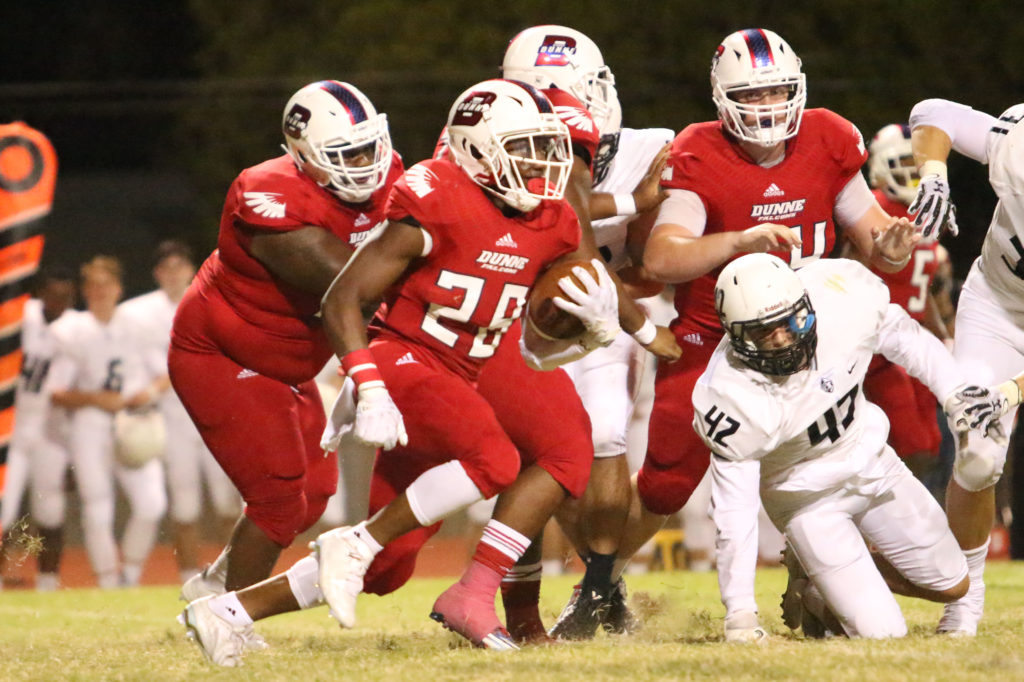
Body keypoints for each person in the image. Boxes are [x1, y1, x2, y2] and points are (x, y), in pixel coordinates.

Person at [178, 77, 675, 666]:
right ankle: (323, 560)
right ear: (476, 152)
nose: (542, 164)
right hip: (412, 357)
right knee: (424, 519)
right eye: (524, 148)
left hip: (481, 358)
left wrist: (612, 329)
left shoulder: (550, 215)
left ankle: (465, 593)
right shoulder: (434, 197)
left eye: (547, 147)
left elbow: (549, 320)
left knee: (557, 450)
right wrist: (367, 382)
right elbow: (346, 294)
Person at [628, 28, 920, 641]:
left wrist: (890, 248)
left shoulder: (827, 138)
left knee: (843, 463)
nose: (766, 107)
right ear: (723, 99)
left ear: (798, 89)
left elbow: (875, 242)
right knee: (665, 482)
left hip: (812, 343)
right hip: (717, 344)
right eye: (751, 94)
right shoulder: (700, 153)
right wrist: (735, 241)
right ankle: (601, 578)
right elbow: (660, 257)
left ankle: (814, 584)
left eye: (777, 91)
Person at [170, 79, 403, 622]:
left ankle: (218, 582)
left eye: (370, 147)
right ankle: (227, 619)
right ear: (302, 157)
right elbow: (347, 286)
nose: (366, 164)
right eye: (346, 154)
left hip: (291, 364)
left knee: (316, 495)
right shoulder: (265, 193)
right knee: (277, 502)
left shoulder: (391, 176)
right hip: (224, 355)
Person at [692, 253, 1016, 638]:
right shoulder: (729, 395)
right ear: (735, 334)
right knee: (884, 635)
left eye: (788, 321)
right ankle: (819, 592)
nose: (781, 339)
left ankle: (817, 576)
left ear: (807, 304)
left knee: (953, 583)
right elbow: (735, 512)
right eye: (764, 332)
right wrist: (741, 614)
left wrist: (954, 391)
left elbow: (903, 337)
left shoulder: (841, 297)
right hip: (806, 500)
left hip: (874, 463)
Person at [501, 23, 675, 640]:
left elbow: (648, 266)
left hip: (609, 308)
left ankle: (599, 581)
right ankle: (529, 608)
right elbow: (561, 214)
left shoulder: (649, 147)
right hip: (527, 321)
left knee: (605, 437)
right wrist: (630, 203)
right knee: (524, 462)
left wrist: (631, 246)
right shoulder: (496, 141)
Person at [907, 97, 1024, 635]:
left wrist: (1012, 390)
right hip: (997, 308)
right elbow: (934, 113)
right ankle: (966, 597)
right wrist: (934, 176)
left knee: (993, 412)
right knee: (977, 454)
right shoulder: (1018, 145)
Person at [119, 241, 239, 586]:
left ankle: (231, 574)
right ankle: (189, 577)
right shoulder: (136, 313)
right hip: (172, 418)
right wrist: (139, 392)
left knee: (227, 502)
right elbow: (129, 365)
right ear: (157, 273)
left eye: (179, 266)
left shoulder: (213, 300)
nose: (173, 273)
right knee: (184, 504)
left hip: (216, 414)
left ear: (190, 269)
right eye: (166, 267)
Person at [49, 256, 166, 588]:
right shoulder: (70, 330)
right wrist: (94, 398)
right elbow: (55, 391)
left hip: (133, 420)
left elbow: (165, 374)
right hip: (90, 423)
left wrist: (147, 392)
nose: (100, 291)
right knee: (97, 505)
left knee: (151, 503)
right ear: (85, 290)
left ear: (118, 288)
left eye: (106, 284)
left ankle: (129, 572)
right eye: (93, 285)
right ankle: (106, 580)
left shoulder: (136, 325)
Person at [854, 124, 954, 479]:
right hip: (878, 344)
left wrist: (943, 337)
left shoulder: (928, 212)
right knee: (906, 442)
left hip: (914, 338)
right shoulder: (871, 208)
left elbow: (921, 289)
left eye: (918, 167)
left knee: (930, 444)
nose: (913, 174)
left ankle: (916, 525)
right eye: (904, 165)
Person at [0, 269, 76, 590]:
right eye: (54, 294)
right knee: (4, 509)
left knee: (51, 510)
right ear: (41, 292)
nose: (59, 302)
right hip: (12, 429)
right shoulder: (21, 317)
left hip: (49, 431)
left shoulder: (74, 328)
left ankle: (49, 582)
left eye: (66, 297)